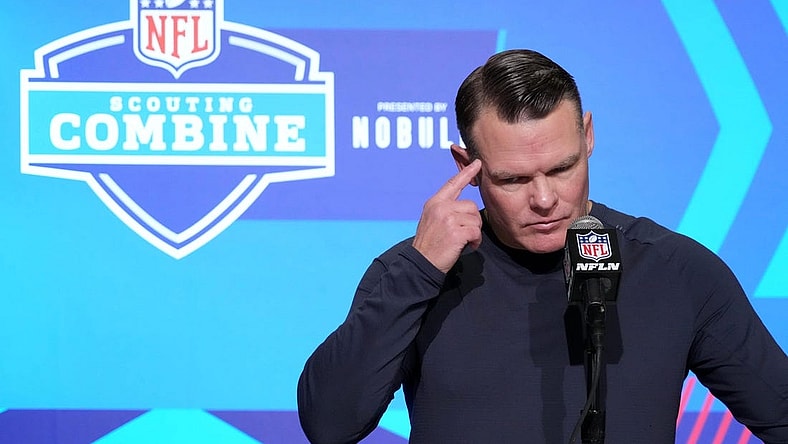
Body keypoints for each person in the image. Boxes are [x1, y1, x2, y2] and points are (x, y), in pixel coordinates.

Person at [297, 49, 788, 443]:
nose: (545, 199)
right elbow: (330, 425)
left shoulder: (676, 271)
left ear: (588, 136)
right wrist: (420, 270)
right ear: (466, 164)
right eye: (513, 179)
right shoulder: (414, 273)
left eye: (562, 168)